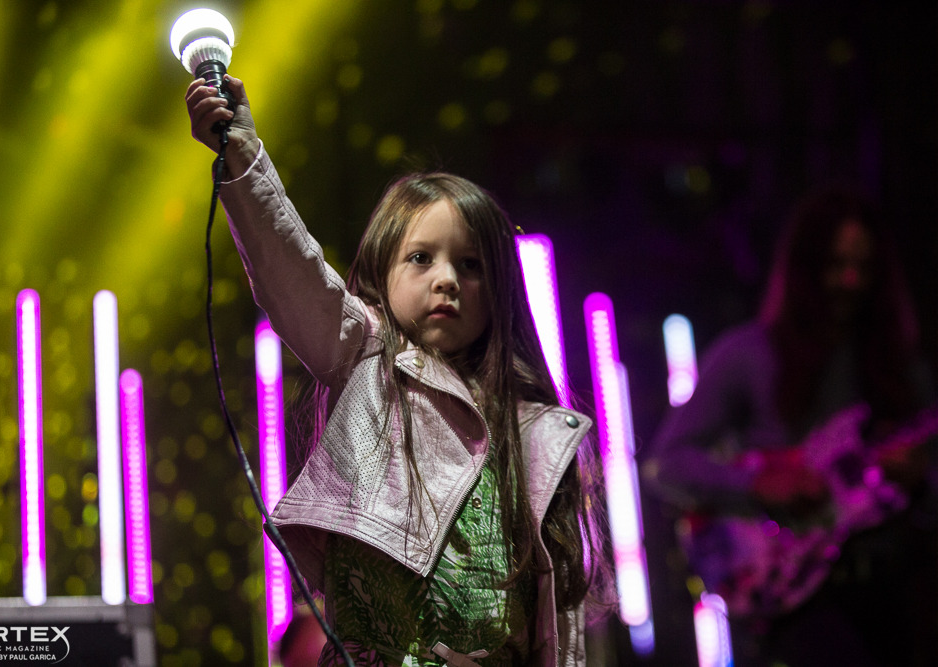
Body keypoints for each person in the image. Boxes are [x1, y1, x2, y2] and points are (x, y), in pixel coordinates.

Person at [185, 75, 615, 666]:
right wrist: (241, 151)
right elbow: (293, 269)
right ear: (381, 275)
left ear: (501, 291)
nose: (446, 279)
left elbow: (555, 629)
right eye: (421, 258)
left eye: (470, 265)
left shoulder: (541, 432)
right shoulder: (365, 356)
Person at [644, 186, 937, 666]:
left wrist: (919, 481)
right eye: (834, 264)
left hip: (894, 592)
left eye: (863, 268)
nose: (849, 281)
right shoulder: (750, 354)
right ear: (803, 269)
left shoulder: (903, 370)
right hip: (796, 603)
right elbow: (665, 465)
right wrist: (757, 483)